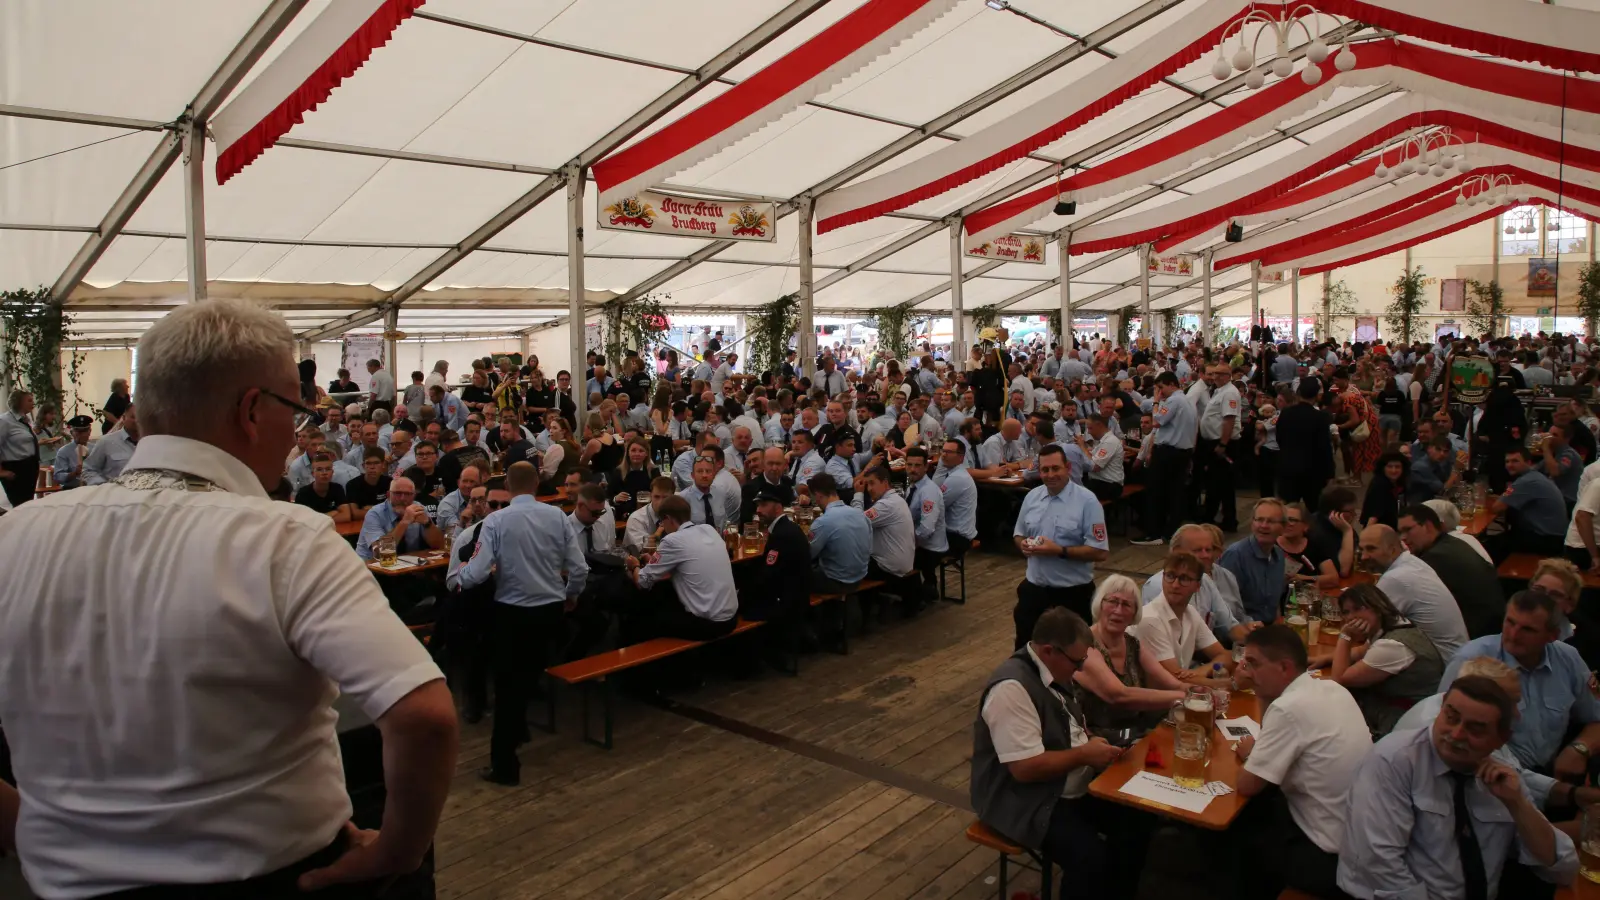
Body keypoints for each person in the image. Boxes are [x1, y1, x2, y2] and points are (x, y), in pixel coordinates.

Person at [0, 298, 455, 897]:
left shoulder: (15, 533)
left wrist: (39, 833)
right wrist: (397, 852)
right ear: (251, 410)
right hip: (273, 876)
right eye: (295, 412)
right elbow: (423, 717)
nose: (296, 433)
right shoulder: (285, 539)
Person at [1338, 676, 1577, 899]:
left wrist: (1517, 804)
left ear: (1502, 738)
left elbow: (1560, 868)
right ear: (1441, 708)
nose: (1456, 734)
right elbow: (1380, 866)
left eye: (1475, 728)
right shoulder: (1394, 760)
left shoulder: (1502, 775)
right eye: (1451, 717)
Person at [969, 607, 1139, 900]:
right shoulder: (1011, 689)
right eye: (1078, 660)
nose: (1082, 666)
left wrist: (1104, 743)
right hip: (1022, 800)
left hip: (1066, 786)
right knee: (1089, 857)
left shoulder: (1052, 669)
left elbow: (1070, 729)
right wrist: (1085, 755)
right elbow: (1024, 768)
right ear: (1049, 651)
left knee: (1137, 822)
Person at [456, 461, 587, 786]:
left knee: (507, 685)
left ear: (510, 487)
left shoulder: (497, 521)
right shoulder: (557, 515)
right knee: (528, 673)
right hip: (550, 610)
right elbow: (580, 568)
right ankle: (519, 732)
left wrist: (457, 578)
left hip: (513, 611)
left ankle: (505, 765)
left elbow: (477, 570)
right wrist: (570, 595)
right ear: (537, 484)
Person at [1233, 624, 1371, 900]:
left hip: (1325, 853)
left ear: (1284, 667)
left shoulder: (1289, 708)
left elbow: (1247, 784)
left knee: (1233, 833)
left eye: (1253, 663)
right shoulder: (1330, 687)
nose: (1245, 670)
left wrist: (1250, 754)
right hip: (1360, 835)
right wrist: (1260, 689)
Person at [1439, 590, 1600, 780]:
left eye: (1528, 629)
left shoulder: (1568, 658)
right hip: (1489, 778)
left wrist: (1580, 748)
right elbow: (1442, 730)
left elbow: (1596, 718)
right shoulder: (1471, 660)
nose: (1513, 635)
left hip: (1553, 774)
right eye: (1510, 622)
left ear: (1553, 635)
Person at [1312, 583, 1446, 737]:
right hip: (1398, 703)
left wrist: (1345, 636)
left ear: (1377, 607)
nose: (1350, 617)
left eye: (1358, 608)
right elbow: (1362, 650)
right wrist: (1324, 658)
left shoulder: (1392, 646)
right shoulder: (1394, 624)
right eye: (1346, 612)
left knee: (1325, 701)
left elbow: (1339, 679)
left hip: (1400, 718)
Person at [1012, 444, 1110, 648]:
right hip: (1035, 591)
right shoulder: (1032, 497)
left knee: (1074, 654)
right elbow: (1018, 534)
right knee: (1026, 649)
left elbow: (1100, 552)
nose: (1050, 475)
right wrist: (1024, 546)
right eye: (1045, 470)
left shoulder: (1087, 501)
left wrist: (1059, 551)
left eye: (1055, 468)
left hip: (1072, 594)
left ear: (1068, 467)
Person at [1073, 576, 1187, 735]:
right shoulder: (1085, 645)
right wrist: (1185, 698)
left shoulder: (1133, 644)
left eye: (1126, 604)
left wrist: (1203, 693)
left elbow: (1174, 683)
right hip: (1095, 740)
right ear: (1100, 604)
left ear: (1135, 613)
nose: (1118, 610)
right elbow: (1119, 695)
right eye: (1112, 601)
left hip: (1133, 733)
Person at [624, 496, 739, 643]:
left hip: (709, 624)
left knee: (642, 619)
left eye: (661, 522)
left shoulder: (672, 540)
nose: (662, 527)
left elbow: (642, 581)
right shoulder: (709, 529)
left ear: (668, 518)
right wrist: (655, 562)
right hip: (731, 617)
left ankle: (641, 661)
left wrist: (634, 565)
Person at [1359, 523, 1469, 658]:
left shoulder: (1396, 578)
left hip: (1441, 667)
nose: (1363, 556)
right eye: (1361, 550)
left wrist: (1329, 656)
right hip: (1456, 658)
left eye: (1371, 549)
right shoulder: (1412, 562)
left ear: (1393, 550)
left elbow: (1367, 637)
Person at [1397, 504, 1505, 638]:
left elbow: (1405, 601)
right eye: (1400, 532)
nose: (1403, 537)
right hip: (1494, 628)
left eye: (1408, 530)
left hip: (1474, 638)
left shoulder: (1434, 558)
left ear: (1429, 526)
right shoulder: (1453, 543)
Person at [1140, 550, 1237, 682]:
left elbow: (1225, 656)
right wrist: (1231, 684)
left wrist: (1202, 671)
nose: (1175, 585)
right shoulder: (1149, 619)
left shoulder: (1190, 612)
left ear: (1197, 586)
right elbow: (1176, 679)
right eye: (1170, 576)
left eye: (1184, 579)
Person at [1133, 372, 1195, 546]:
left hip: (1169, 452)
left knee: (1155, 492)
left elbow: (1157, 421)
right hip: (1182, 451)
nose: (1160, 392)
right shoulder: (1187, 400)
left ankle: (1154, 533)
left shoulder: (1174, 401)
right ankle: (1170, 531)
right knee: (1175, 493)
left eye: (1161, 388)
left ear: (1172, 384)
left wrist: (1155, 402)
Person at [1488, 446, 1570, 561]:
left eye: (1515, 461)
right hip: (1555, 537)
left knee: (1489, 546)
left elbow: (1497, 508)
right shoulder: (1534, 476)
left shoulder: (1526, 481)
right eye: (1507, 461)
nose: (1509, 465)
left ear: (1528, 462)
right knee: (1499, 539)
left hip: (1546, 541)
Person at [1219, 498, 1288, 625]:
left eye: (1271, 521)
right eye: (1259, 520)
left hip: (1270, 630)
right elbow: (1224, 609)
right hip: (1244, 632)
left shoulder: (1278, 555)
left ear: (1283, 528)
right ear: (1252, 523)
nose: (1264, 526)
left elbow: (1274, 603)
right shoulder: (1235, 555)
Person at [807, 473, 872, 595]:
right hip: (860, 577)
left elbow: (808, 554)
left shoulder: (823, 522)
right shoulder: (860, 515)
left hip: (837, 582)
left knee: (792, 571)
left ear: (818, 495)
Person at [858, 466, 917, 596]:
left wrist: (858, 494)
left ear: (885, 483)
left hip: (889, 567)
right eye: (867, 485)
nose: (869, 489)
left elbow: (855, 523)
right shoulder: (897, 500)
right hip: (901, 562)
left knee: (846, 566)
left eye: (872, 483)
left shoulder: (886, 505)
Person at [1196, 364, 1241, 531]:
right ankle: (1222, 516)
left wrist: (1223, 443)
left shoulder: (1229, 392)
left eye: (1219, 374)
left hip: (1222, 443)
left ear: (1227, 376)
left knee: (1219, 482)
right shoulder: (1219, 391)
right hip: (1213, 441)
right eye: (1214, 374)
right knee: (1218, 482)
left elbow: (1228, 419)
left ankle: (1215, 517)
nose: (1215, 377)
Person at [1274, 381, 1334, 506]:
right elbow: (1325, 447)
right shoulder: (1320, 417)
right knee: (1314, 507)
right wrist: (1330, 473)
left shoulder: (1286, 413)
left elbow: (1279, 437)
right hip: (1312, 470)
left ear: (1298, 393)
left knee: (1288, 507)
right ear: (1317, 396)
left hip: (1288, 466)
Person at [356, 477, 443, 560]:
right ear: (388, 495)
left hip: (407, 566)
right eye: (397, 493)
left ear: (414, 496)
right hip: (372, 567)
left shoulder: (419, 509)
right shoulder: (374, 514)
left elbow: (439, 546)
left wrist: (428, 523)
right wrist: (404, 522)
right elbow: (380, 553)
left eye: (408, 494)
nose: (402, 498)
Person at [904, 447, 947, 604]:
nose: (912, 469)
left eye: (917, 466)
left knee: (890, 559)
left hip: (930, 549)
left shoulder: (929, 491)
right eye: (909, 465)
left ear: (926, 467)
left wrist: (908, 544)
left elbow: (926, 529)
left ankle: (912, 600)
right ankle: (926, 587)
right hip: (923, 545)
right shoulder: (914, 485)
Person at [1277, 501, 1341, 590]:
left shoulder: (1314, 545)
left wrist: (1306, 579)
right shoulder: (1271, 545)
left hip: (1306, 598)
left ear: (1305, 526)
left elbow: (1333, 578)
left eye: (1292, 520)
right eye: (1284, 520)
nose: (1287, 523)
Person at [938, 437, 979, 559]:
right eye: (943, 451)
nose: (944, 455)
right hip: (959, 534)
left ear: (961, 458)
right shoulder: (956, 474)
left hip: (957, 539)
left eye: (949, 452)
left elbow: (938, 506)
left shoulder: (957, 478)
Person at [82, 403, 139, 484]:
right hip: (114, 493)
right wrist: (104, 486)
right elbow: (87, 470)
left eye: (141, 418)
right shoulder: (106, 442)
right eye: (133, 417)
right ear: (123, 417)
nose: (137, 421)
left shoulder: (149, 443)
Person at [0, 390, 40, 508]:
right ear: (18, 402)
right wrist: (1, 472)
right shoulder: (5, 421)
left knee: (28, 504)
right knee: (20, 506)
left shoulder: (25, 420)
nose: (33, 403)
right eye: (29, 400)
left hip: (30, 466)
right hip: (15, 468)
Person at [1075, 414, 1124, 502]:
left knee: (1074, 492)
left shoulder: (1110, 441)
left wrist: (1082, 447)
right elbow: (1090, 457)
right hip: (1100, 482)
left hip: (1109, 485)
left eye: (1090, 428)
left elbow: (1094, 467)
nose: (1089, 432)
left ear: (1099, 425)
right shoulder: (1102, 441)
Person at [294, 453, 352, 521]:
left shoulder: (337, 488)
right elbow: (303, 521)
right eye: (319, 469)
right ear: (313, 473)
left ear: (332, 472)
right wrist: (332, 513)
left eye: (328, 469)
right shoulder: (303, 493)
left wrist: (317, 518)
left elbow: (347, 516)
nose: (324, 473)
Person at [1360, 452, 1408, 529]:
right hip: (1380, 529)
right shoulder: (1380, 485)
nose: (1394, 470)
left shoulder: (1401, 483)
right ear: (1383, 468)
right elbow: (1374, 514)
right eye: (1389, 466)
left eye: (1397, 467)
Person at [50, 414, 96, 490]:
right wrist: (74, 473)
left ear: (90, 431)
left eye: (85, 431)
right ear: (72, 433)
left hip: (93, 488)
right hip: (72, 489)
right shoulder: (64, 451)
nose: (82, 435)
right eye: (78, 432)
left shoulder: (95, 449)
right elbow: (58, 476)